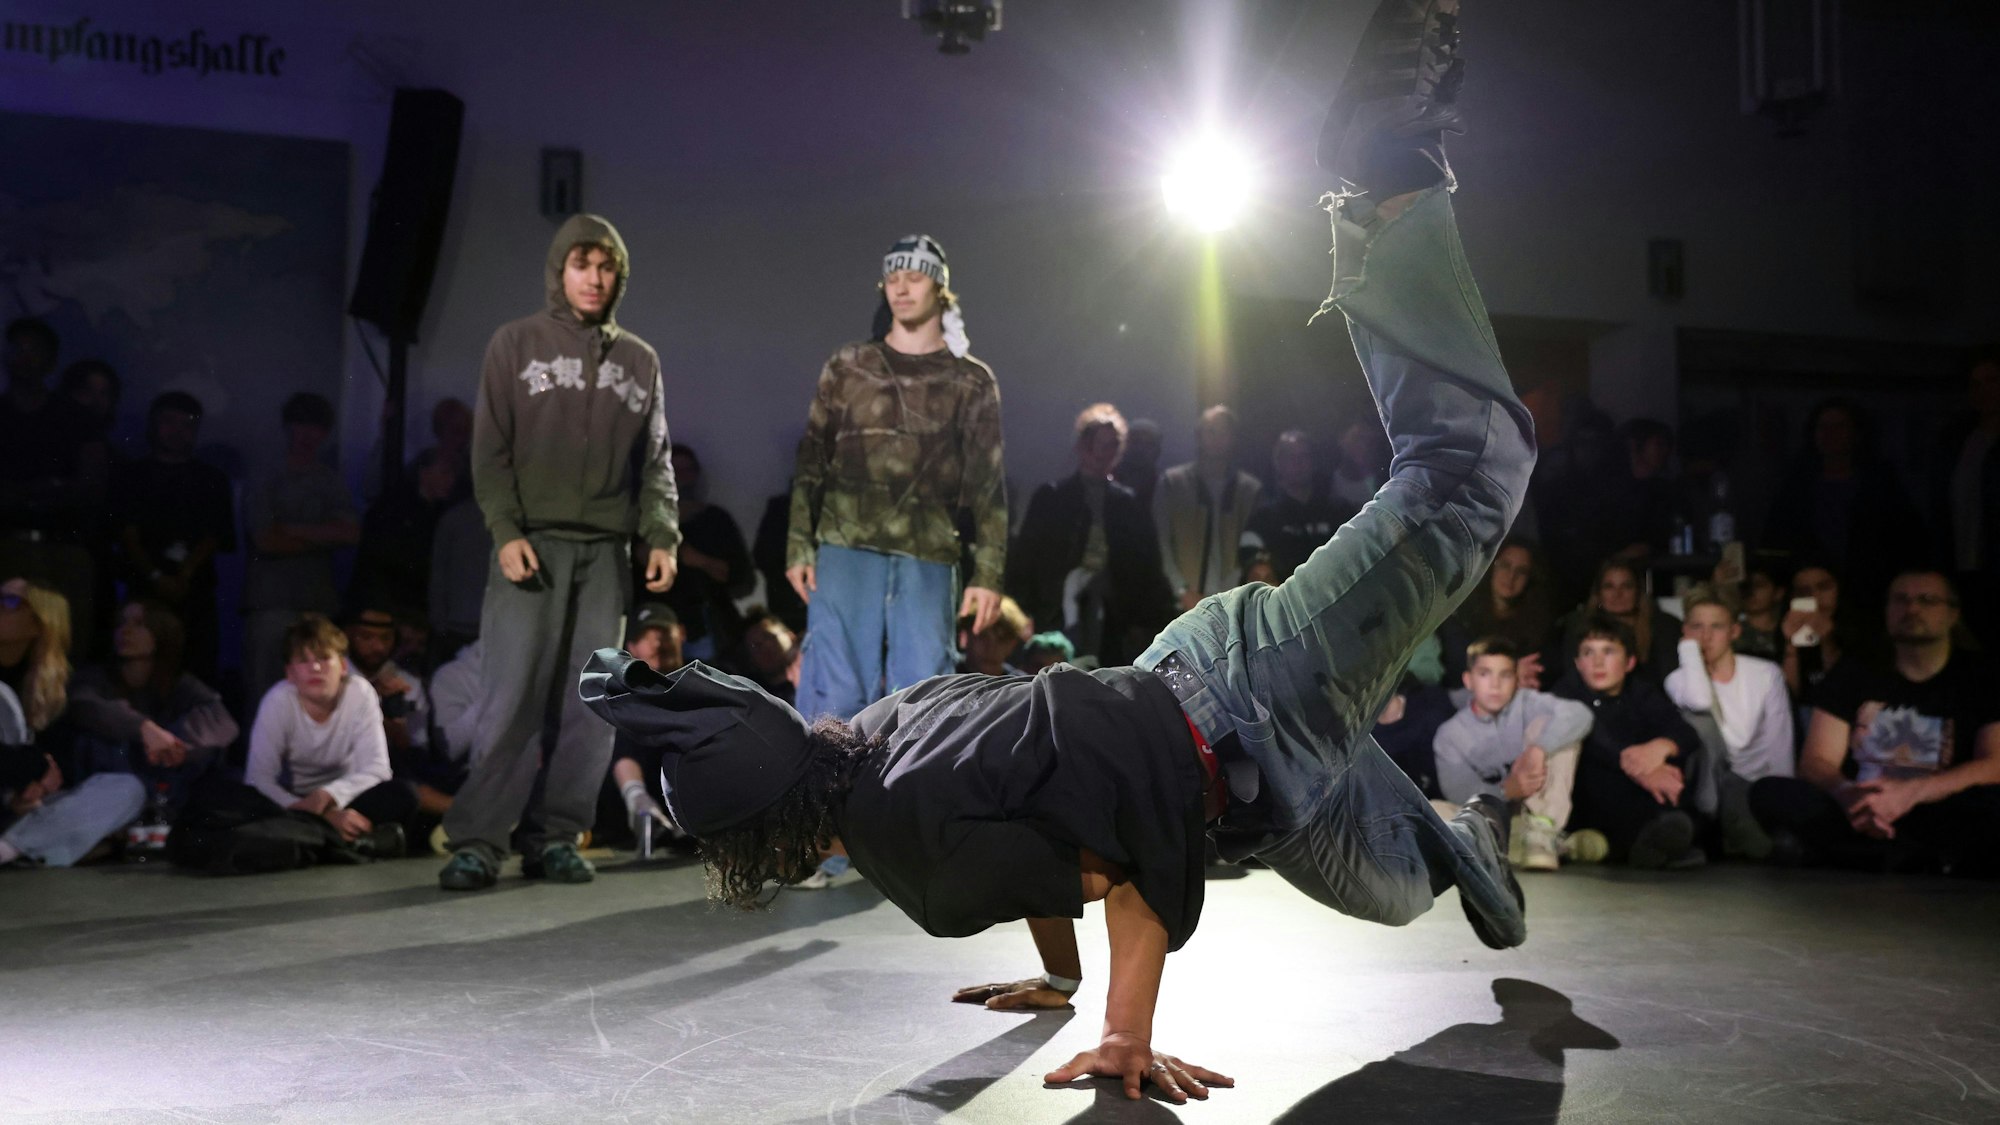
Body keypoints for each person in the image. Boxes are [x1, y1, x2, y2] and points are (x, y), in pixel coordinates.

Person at [582, 6, 1529, 1099]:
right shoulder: (867, 740)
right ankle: (1468, 834)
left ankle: (1385, 171)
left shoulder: (902, 842)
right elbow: (1040, 809)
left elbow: (1123, 834)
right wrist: (1058, 979)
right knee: (1408, 878)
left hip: (1246, 703)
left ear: (776, 842)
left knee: (1466, 470)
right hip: (1249, 751)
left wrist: (1124, 1033)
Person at [437, 213, 681, 891]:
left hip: (604, 553)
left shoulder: (640, 358)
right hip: (532, 545)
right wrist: (506, 531)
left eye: (606, 267)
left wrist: (661, 533)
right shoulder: (514, 344)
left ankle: (557, 837)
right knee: (511, 697)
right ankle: (480, 841)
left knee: (592, 704)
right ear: (559, 270)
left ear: (618, 275)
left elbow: (656, 459)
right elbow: (489, 451)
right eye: (582, 265)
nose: (594, 278)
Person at [785, 233, 1008, 724]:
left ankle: (914, 800)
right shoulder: (848, 366)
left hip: (928, 549)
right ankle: (822, 801)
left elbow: (987, 484)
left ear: (939, 288)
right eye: (892, 277)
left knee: (923, 697)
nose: (901, 288)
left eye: (914, 276)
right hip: (845, 543)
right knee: (834, 696)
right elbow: (811, 462)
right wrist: (799, 543)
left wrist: (989, 573)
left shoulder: (970, 379)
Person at [1750, 570, 1999, 877]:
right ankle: (1903, 855)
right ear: (1886, 611)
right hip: (1859, 808)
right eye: (1900, 600)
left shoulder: (1980, 676)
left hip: (1937, 806)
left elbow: (1994, 763)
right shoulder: (1856, 670)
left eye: (1927, 600)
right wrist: (1848, 794)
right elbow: (1816, 760)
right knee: (1770, 792)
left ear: (1953, 613)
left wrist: (1913, 792)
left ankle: (1872, 855)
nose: (1912, 609)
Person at [1007, 404, 1172, 665]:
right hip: (1055, 613)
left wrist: (1147, 620)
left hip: (1114, 619)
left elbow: (1148, 567)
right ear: (1083, 446)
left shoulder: (1128, 504)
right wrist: (1022, 612)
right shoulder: (1052, 498)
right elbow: (1026, 559)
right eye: (1098, 444)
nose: (1103, 452)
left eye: (1111, 445)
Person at [1550, 614, 1705, 868]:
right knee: (1600, 768)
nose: (1598, 662)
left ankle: (1651, 844)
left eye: (1608, 651)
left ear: (1629, 662)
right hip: (1588, 796)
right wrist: (1636, 766)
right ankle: (1648, 845)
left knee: (1675, 785)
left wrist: (1660, 748)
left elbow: (1684, 732)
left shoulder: (1640, 691)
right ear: (1578, 663)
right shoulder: (1566, 691)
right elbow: (1591, 735)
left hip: (1636, 791)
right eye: (1589, 653)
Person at [1434, 637, 1597, 870]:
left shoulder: (1528, 702)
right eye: (1485, 674)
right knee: (1436, 810)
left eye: (1505, 675)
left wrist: (1538, 748)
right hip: (1490, 817)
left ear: (1517, 680)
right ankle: (1552, 845)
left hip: (1532, 809)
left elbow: (1579, 714)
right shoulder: (1450, 734)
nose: (1495, 684)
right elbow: (1458, 791)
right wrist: (1506, 790)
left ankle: (1541, 834)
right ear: (1468, 680)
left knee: (1555, 726)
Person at [109, 392, 237, 683]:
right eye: (169, 422)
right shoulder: (131, 475)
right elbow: (126, 533)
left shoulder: (212, 479)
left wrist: (184, 574)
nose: (177, 431)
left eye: (187, 424)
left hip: (195, 595)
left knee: (196, 671)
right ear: (153, 425)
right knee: (137, 671)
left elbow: (215, 535)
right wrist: (155, 576)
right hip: (142, 591)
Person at [241, 392, 361, 699]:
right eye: (301, 425)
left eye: (316, 428)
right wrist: (323, 535)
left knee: (315, 698)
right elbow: (266, 539)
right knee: (265, 696)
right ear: (288, 427)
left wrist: (292, 529)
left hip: (317, 604)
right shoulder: (264, 475)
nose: (308, 435)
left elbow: (350, 533)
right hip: (270, 604)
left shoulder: (330, 481)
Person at [69, 601, 238, 817]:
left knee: (221, 766)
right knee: (100, 742)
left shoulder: (178, 683)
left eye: (138, 624)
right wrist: (144, 728)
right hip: (116, 781)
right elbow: (83, 704)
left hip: (165, 776)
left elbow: (222, 720)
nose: (125, 630)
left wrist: (177, 746)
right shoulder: (98, 677)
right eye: (121, 623)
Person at [1662, 586, 1793, 859]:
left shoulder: (1765, 674)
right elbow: (1699, 700)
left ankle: (1733, 828)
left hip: (1755, 787)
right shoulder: (1678, 679)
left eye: (1716, 627)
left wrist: (1783, 799)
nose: (1705, 637)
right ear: (1685, 631)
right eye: (1697, 627)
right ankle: (1713, 824)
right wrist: (1689, 651)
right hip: (1706, 790)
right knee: (1698, 721)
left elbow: (1779, 741)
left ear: (1734, 631)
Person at [1764, 398, 1921, 622]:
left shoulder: (1880, 484)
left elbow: (1902, 539)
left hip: (1868, 593)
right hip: (1809, 590)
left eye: (1839, 427)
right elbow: (1778, 539)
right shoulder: (1797, 485)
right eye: (1823, 427)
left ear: (1856, 434)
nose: (1830, 434)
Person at [1, 679, 143, 869]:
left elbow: (36, 769)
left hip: (16, 816)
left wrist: (19, 794)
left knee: (127, 788)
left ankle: (14, 849)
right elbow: (23, 764)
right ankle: (32, 850)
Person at [1154, 405, 1261, 612]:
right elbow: (1161, 545)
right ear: (1199, 436)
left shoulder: (1249, 490)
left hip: (1234, 604)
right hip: (1181, 605)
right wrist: (1182, 591)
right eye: (1211, 431)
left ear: (1233, 438)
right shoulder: (1172, 483)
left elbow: (1252, 549)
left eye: (1224, 432)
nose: (1217, 438)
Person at [657, 444, 753, 662]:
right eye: (675, 471)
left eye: (688, 470)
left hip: (711, 628)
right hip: (660, 632)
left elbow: (743, 578)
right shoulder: (646, 523)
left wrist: (700, 561)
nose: (682, 478)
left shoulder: (716, 519)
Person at [1932, 351, 2000, 643]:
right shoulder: (1959, 438)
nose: (1984, 390)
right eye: (1976, 384)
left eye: (1992, 381)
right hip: (1963, 565)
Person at [1239, 429, 1358, 586]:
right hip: (1286, 602)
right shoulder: (1264, 517)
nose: (1298, 462)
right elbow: (1249, 555)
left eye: (1304, 456)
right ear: (1278, 463)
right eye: (1290, 456)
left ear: (1314, 462)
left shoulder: (1340, 511)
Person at [1438, 537, 1554, 685]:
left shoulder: (1537, 624)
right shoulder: (1461, 613)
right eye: (1505, 565)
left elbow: (1541, 669)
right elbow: (1458, 666)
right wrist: (1511, 672)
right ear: (1491, 566)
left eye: (1521, 571)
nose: (1511, 576)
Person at [1549, 557, 1678, 683]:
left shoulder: (1663, 626)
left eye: (1627, 586)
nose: (1618, 594)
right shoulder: (1578, 625)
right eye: (1609, 587)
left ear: (1638, 592)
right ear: (1598, 594)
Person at [957, 596, 1033, 677]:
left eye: (1002, 639)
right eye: (983, 636)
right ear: (965, 637)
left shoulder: (1021, 685)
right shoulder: (946, 677)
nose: (991, 648)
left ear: (1012, 644)